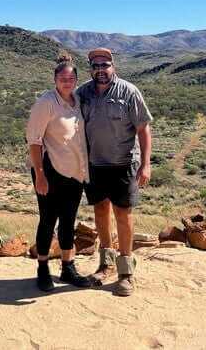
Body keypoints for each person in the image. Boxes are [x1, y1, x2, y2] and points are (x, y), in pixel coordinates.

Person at [77, 47, 153, 297]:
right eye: (96, 66)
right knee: (100, 211)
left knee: (123, 214)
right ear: (91, 68)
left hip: (124, 164)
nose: (101, 70)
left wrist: (146, 164)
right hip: (95, 164)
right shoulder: (83, 93)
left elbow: (143, 129)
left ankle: (126, 272)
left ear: (113, 66)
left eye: (105, 65)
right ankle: (105, 265)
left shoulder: (129, 92)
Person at [26, 52, 93, 291]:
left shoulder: (76, 101)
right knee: (47, 220)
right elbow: (33, 140)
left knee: (68, 220)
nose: (67, 82)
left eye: (71, 79)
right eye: (63, 78)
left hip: (74, 172)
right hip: (50, 170)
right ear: (55, 79)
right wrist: (40, 175)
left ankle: (68, 267)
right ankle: (42, 269)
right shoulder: (47, 103)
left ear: (76, 81)